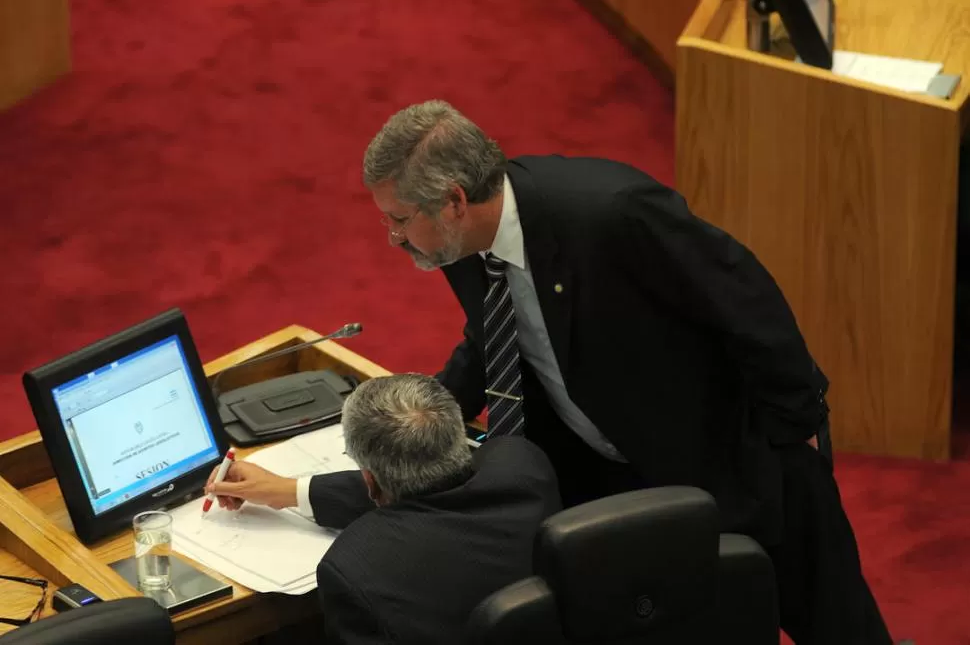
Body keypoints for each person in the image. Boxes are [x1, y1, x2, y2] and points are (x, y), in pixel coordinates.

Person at [360, 100, 893, 645]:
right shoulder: (464, 243)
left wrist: (788, 433)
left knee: (838, 628)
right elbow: (493, 334)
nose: (394, 237)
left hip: (736, 466)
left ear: (454, 201)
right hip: (616, 478)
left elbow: (745, 302)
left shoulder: (611, 213)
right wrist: (418, 426)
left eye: (399, 219)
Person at [207, 373, 561, 645]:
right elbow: (438, 487)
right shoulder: (524, 465)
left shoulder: (357, 564)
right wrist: (289, 491)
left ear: (370, 481)